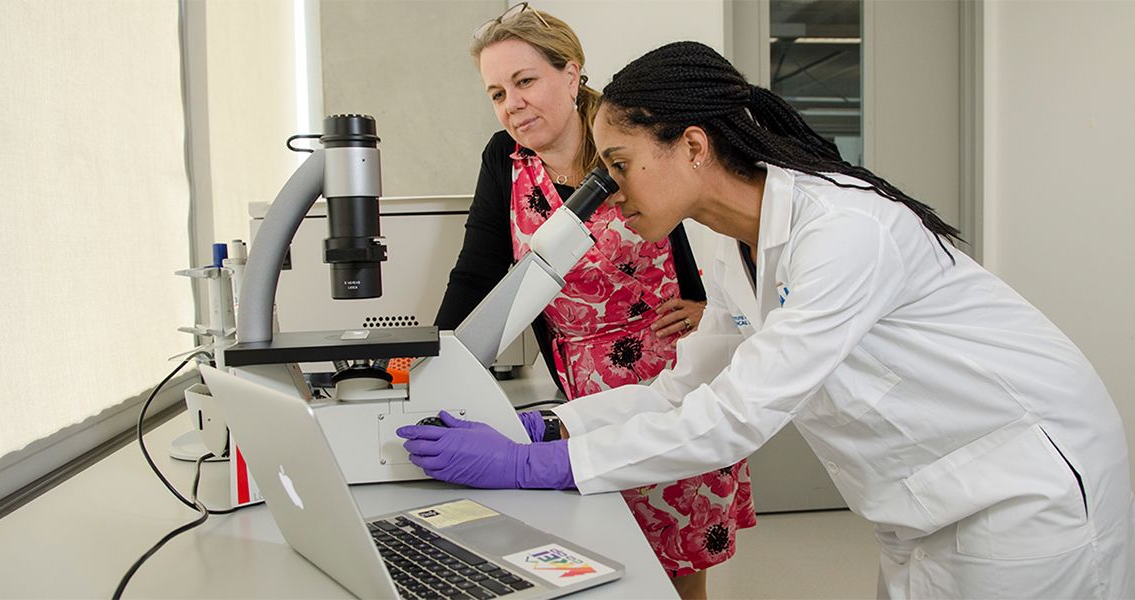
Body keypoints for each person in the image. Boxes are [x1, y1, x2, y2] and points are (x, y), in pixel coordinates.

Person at [403, 40, 1135, 599]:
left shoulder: (843, 228)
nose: (612, 191)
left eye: (619, 164)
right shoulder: (736, 244)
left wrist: (539, 467)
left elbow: (733, 418)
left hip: (1023, 490)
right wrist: (553, 426)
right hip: (928, 498)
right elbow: (684, 389)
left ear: (692, 145)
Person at [433, 7, 756, 597]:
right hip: (580, 384)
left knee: (677, 565)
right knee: (599, 560)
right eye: (497, 92)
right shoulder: (504, 162)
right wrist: (434, 366)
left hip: (672, 366)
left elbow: (691, 230)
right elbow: (477, 272)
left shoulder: (630, 142)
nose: (512, 104)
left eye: (525, 81)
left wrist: (710, 308)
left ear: (572, 72)